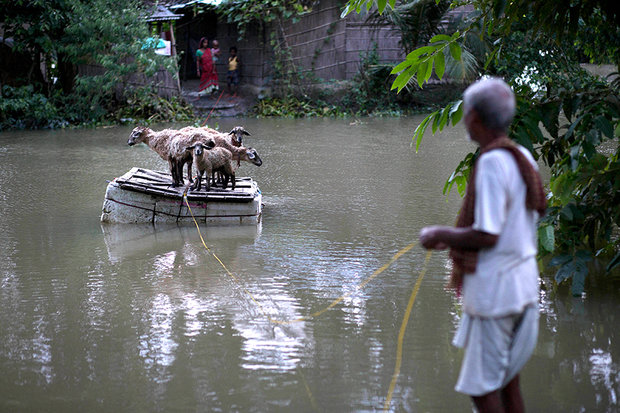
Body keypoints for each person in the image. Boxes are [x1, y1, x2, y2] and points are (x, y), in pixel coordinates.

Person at [419, 78, 546, 413]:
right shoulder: (523, 157)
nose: (463, 120)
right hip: (524, 290)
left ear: (474, 116)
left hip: (495, 295)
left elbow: (487, 234)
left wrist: (439, 234)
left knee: (481, 389)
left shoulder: (491, 162)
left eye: (465, 113)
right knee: (507, 380)